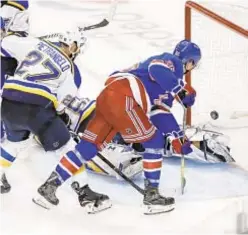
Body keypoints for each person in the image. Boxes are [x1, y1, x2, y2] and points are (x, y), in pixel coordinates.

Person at [35, 39, 201, 215]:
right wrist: (180, 90)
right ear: (189, 62)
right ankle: (152, 197)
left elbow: (159, 113)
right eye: (193, 64)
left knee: (87, 148)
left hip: (108, 98)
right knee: (154, 142)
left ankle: (49, 187)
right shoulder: (171, 62)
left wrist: (177, 135)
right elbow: (157, 70)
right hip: (125, 98)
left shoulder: (165, 84)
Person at [0, 28, 111, 213]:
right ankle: (83, 194)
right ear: (73, 46)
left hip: (9, 102)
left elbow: (5, 44)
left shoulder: (35, 43)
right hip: (36, 108)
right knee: (67, 149)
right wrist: (61, 115)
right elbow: (63, 100)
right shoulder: (72, 70)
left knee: (14, 143)